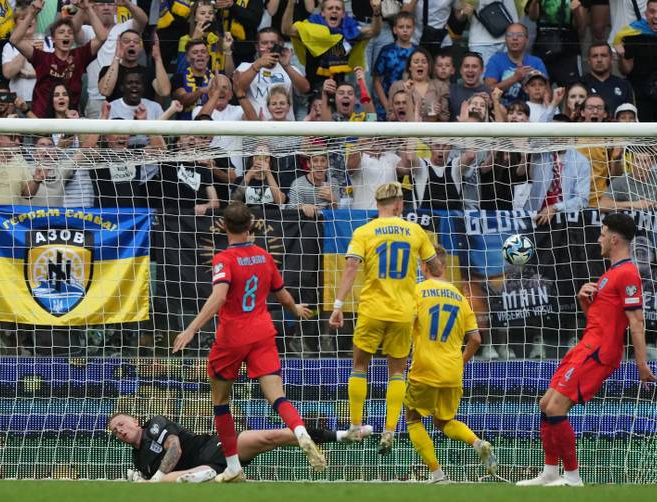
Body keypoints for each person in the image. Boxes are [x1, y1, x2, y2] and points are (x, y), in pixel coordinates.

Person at [172, 202, 325, 482]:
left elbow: (219, 297)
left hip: (232, 337)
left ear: (224, 226)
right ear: (251, 225)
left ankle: (233, 466)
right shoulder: (264, 256)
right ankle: (300, 432)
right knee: (277, 397)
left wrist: (192, 328)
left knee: (220, 401)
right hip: (263, 333)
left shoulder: (224, 259)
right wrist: (296, 311)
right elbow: (281, 294)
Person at [517, 212, 657, 487]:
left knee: (557, 406)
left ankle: (572, 477)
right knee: (546, 404)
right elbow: (600, 317)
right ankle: (550, 472)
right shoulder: (611, 273)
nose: (599, 238)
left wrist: (641, 364)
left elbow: (636, 320)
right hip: (587, 344)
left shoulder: (628, 273)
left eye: (603, 233)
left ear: (615, 239)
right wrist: (584, 300)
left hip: (599, 351)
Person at [328, 181, 440, 453]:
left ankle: (355, 426)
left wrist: (338, 305)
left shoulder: (364, 231)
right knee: (398, 372)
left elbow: (352, 267)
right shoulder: (415, 231)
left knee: (359, 367)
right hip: (403, 313)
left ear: (377, 204)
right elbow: (435, 267)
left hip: (372, 309)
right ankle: (390, 430)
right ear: (400, 204)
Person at [404, 245, 496, 483]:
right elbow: (476, 339)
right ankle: (477, 442)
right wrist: (460, 363)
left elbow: (406, 327)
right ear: (444, 267)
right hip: (452, 371)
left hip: (424, 369)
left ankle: (437, 474)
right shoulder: (460, 298)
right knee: (443, 421)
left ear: (424, 265)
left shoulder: (417, 292)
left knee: (413, 418)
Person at [109, 413, 371, 483]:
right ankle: (211, 476)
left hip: (213, 447)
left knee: (272, 436)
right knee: (164, 481)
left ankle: (340, 435)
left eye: (121, 424)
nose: (119, 430)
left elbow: (174, 449)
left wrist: (151, 479)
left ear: (134, 421)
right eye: (115, 431)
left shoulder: (154, 425)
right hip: (201, 467)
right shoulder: (138, 458)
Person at [9, 0, 109, 119]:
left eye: (70, 33)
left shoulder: (79, 56)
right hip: (42, 119)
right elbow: (14, 40)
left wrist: (88, 8)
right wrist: (32, 13)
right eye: (61, 32)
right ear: (53, 39)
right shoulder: (42, 58)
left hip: (70, 120)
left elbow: (102, 37)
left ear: (73, 39)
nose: (66, 35)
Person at [81, 0, 148, 119]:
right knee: (95, 137)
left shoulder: (126, 27)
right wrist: (83, 8)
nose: (106, 7)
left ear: (116, 8)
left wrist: (127, 3)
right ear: (94, 8)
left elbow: (143, 20)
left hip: (124, 98)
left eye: (110, 4)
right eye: (101, 4)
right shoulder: (87, 30)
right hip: (97, 99)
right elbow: (74, 27)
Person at [234, 27, 310, 122]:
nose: (269, 46)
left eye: (273, 43)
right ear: (257, 47)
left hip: (285, 128)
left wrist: (286, 66)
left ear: (281, 45)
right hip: (255, 129)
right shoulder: (245, 67)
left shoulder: (290, 69)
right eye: (264, 43)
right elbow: (238, 88)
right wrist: (258, 65)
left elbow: (305, 89)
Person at [98, 29, 172, 104]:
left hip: (144, 114)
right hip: (116, 114)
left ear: (140, 48)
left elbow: (164, 92)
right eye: (126, 41)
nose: (132, 44)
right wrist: (117, 56)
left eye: (136, 42)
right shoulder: (107, 70)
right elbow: (105, 91)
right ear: (119, 45)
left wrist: (158, 58)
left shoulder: (150, 72)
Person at [526, 0, 586, 87]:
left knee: (571, 87)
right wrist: (535, 2)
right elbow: (533, 17)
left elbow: (579, 26)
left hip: (568, 49)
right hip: (543, 47)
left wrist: (576, 11)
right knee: (539, 86)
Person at [483, 23, 547, 104]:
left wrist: (533, 78)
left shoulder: (536, 62)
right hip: (501, 110)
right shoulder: (496, 60)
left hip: (530, 112)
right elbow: (488, 89)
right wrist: (515, 78)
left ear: (527, 40)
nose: (514, 38)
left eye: (519, 35)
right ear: (505, 39)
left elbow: (547, 93)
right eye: (510, 35)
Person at [372, 12, 417, 121]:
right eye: (401, 27)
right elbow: (376, 81)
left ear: (413, 29)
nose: (405, 30)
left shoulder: (417, 52)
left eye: (408, 27)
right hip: (387, 103)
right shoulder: (386, 51)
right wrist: (387, 105)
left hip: (411, 105)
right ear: (394, 30)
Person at [581, 42, 633, 114]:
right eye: (595, 56)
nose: (599, 60)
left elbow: (631, 117)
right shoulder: (580, 84)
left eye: (604, 55)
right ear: (589, 61)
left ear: (611, 59)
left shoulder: (624, 85)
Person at [448, 51, 489, 121]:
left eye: (474, 66)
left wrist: (493, 104)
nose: (470, 70)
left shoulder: (488, 92)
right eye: (466, 66)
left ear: (482, 70)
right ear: (460, 70)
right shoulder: (451, 90)